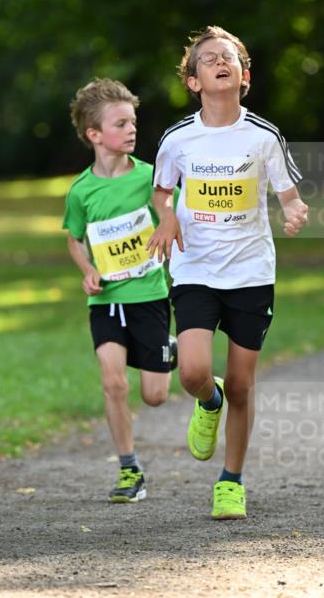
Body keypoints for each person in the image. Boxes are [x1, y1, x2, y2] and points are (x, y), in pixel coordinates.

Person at [147, 26, 308, 520]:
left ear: (244, 76)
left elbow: (288, 192)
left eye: (229, 58)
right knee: (193, 372)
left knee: (243, 383)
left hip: (251, 272)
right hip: (195, 265)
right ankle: (207, 401)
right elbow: (161, 192)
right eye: (209, 59)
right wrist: (167, 215)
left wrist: (295, 211)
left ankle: (231, 481)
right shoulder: (178, 138)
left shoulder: (263, 136)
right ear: (193, 81)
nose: (220, 62)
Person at [63, 78, 177, 503]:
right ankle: (130, 470)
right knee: (113, 383)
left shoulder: (152, 179)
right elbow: (74, 237)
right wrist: (88, 269)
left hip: (149, 297)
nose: (132, 130)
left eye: (133, 122)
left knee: (155, 396)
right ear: (94, 134)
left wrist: (168, 226)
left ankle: (173, 350)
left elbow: (173, 219)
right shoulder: (81, 191)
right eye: (121, 123)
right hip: (106, 301)